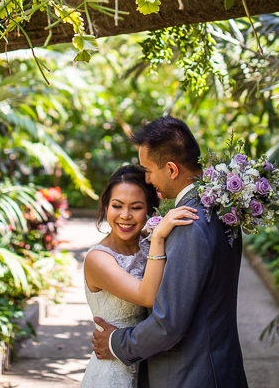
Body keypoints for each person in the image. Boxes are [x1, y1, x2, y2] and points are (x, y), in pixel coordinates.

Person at [92, 116, 249, 387]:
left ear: (172, 169)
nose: (148, 179)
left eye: (149, 170)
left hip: (191, 375)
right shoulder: (223, 211)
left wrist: (117, 343)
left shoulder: (188, 223)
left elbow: (169, 324)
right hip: (220, 367)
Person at [81, 164, 198, 388]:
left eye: (136, 207)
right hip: (113, 369)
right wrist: (158, 238)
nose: (125, 215)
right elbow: (147, 296)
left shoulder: (147, 241)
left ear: (149, 210)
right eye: (117, 206)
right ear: (106, 206)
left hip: (151, 362)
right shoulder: (98, 259)